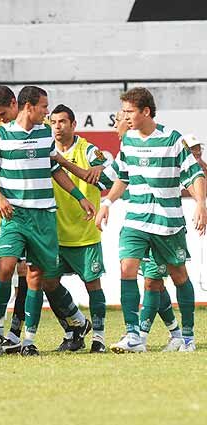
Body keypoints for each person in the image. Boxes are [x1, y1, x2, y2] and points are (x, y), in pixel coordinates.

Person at [0, 85, 95, 356]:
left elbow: (54, 169)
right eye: (44, 106)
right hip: (14, 215)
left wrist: (80, 197)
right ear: (29, 106)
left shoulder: (44, 134)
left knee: (35, 278)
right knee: (5, 269)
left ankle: (28, 341)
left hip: (44, 216)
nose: (47, 111)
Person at [96, 87, 206, 353]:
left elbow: (193, 175)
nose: (125, 117)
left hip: (167, 221)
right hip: (136, 219)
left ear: (146, 111)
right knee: (127, 269)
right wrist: (107, 203)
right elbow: (123, 175)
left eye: (130, 111)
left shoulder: (172, 140)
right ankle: (134, 335)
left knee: (179, 275)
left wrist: (201, 204)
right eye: (124, 111)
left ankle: (187, 337)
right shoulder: (129, 140)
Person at [49, 104, 112, 353]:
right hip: (55, 233)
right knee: (48, 283)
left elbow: (101, 176)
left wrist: (63, 162)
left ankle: (99, 338)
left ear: (74, 125)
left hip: (85, 232)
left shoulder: (89, 150)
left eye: (63, 121)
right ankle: (74, 327)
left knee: (93, 285)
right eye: (53, 122)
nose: (57, 126)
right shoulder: (45, 150)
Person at [0, 85, 28, 348]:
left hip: (35, 213)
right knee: (8, 270)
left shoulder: (38, 127)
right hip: (7, 216)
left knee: (33, 276)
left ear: (15, 103)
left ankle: (15, 332)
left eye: (1, 113)